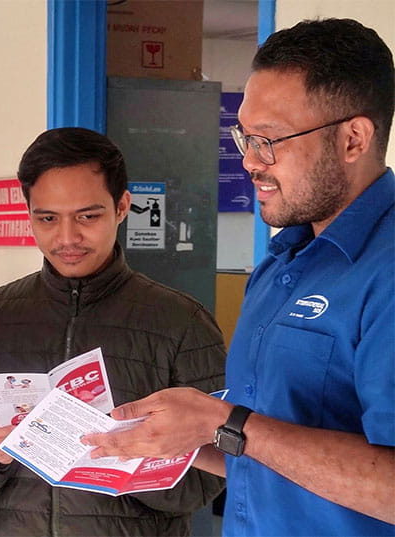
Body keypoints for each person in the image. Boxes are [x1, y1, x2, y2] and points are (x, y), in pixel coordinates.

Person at [83, 18, 395, 536]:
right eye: (244, 137)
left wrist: (225, 423)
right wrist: (147, 435)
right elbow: (264, 453)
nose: (248, 162)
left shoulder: (385, 272)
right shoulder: (280, 263)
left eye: (269, 140)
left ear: (354, 139)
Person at [0, 127, 227, 536]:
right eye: (48, 219)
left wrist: (133, 460)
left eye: (88, 216)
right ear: (30, 214)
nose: (67, 238)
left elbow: (211, 478)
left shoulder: (181, 322)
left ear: (123, 206)